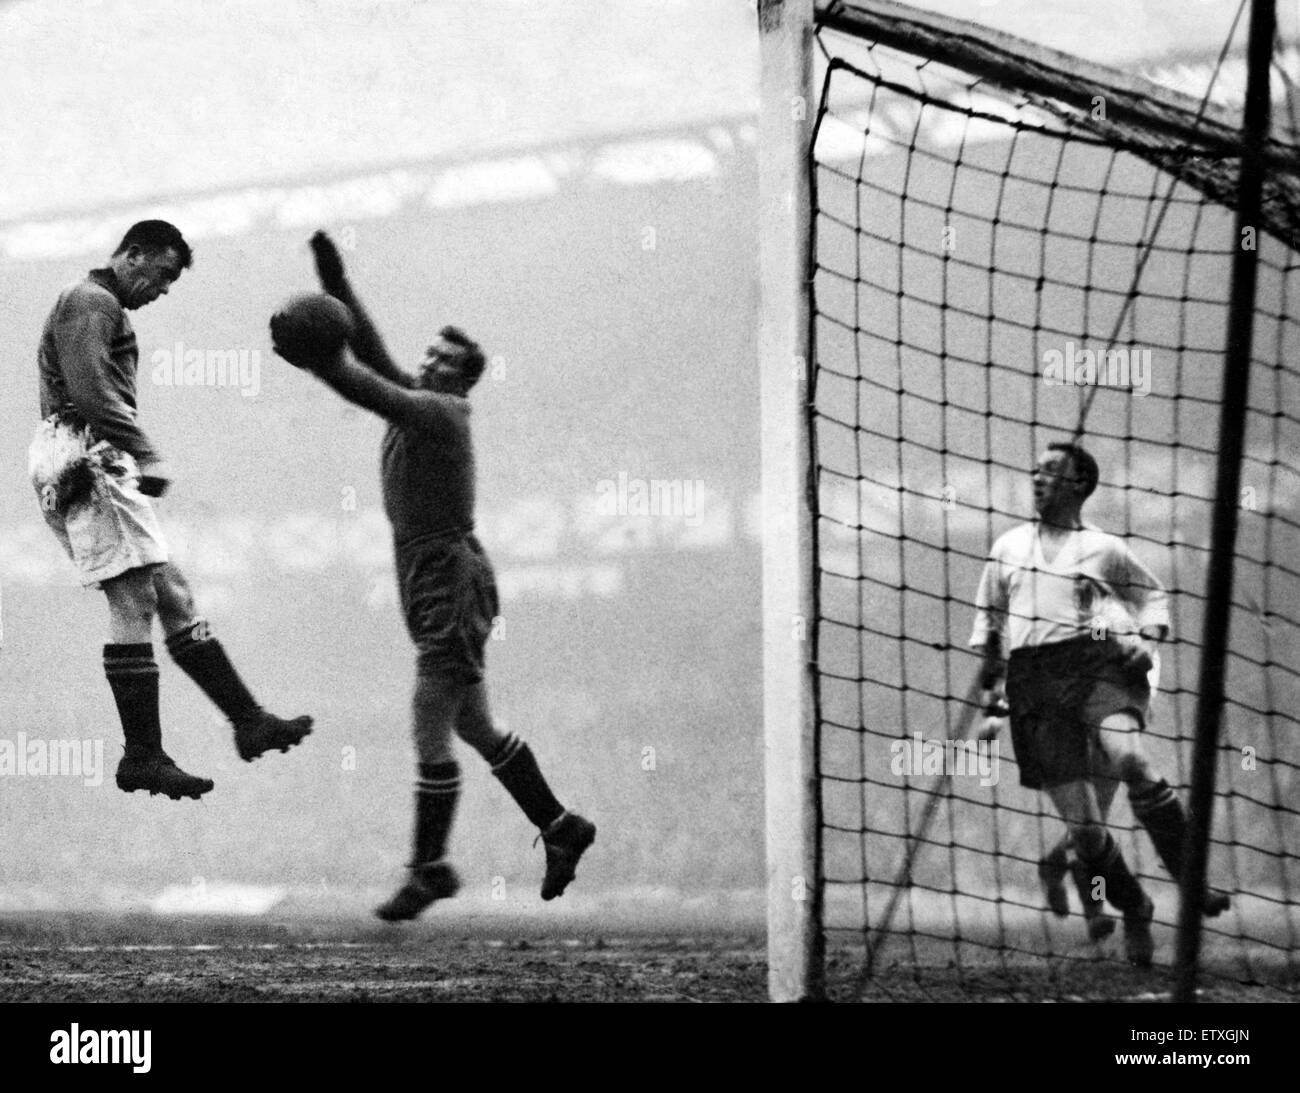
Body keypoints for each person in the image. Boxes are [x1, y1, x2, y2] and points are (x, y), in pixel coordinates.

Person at [272, 230, 596, 919]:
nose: (426, 361)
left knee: (428, 711)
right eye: (428, 353)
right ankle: (562, 825)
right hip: (428, 570)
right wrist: (337, 285)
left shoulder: (441, 413)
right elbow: (370, 351)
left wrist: (315, 356)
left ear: (462, 376)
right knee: (476, 724)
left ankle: (431, 866)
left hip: (448, 575)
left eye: (441, 358)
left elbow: (361, 380)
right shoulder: (421, 395)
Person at [30, 220, 313, 801]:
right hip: (88, 453)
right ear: (133, 256)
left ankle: (248, 721)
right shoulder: (91, 301)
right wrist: (143, 451)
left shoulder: (100, 304)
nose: (161, 290)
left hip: (92, 453)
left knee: (173, 595)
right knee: (133, 598)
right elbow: (88, 389)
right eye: (161, 275)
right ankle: (142, 755)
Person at [971, 442, 1229, 966]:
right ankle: (1132, 907)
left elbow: (1152, 596)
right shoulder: (1006, 549)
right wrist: (992, 702)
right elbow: (991, 631)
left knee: (1131, 759)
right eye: (1035, 470)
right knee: (1087, 833)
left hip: (1096, 667)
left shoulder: (1105, 549)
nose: (1037, 479)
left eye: (1050, 471)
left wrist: (1148, 643)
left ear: (1079, 484)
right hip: (1035, 684)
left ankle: (1192, 882)